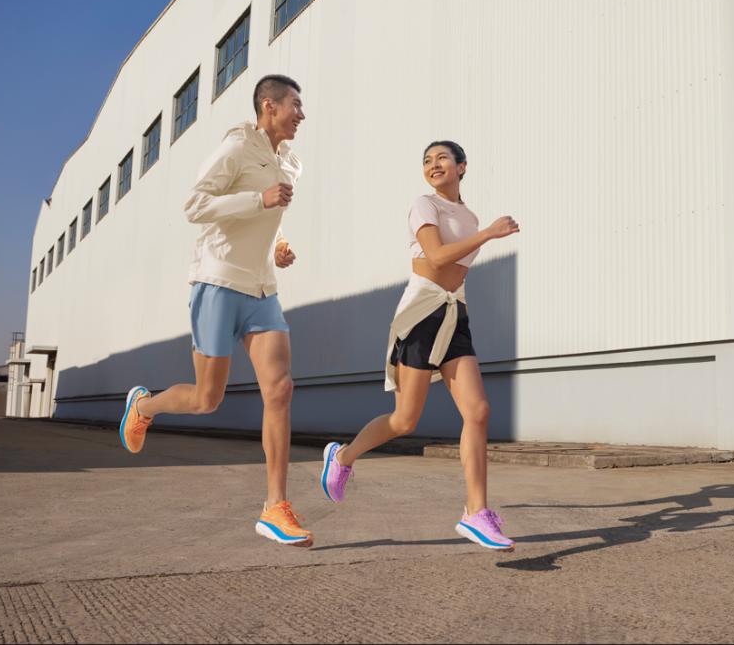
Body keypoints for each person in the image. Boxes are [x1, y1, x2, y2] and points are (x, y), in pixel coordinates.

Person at [119, 74, 313, 547]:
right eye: (295, 105)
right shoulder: (236, 147)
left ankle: (275, 507)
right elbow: (194, 205)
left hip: (262, 289)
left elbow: (266, 222)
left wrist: (281, 246)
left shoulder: (286, 161)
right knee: (208, 399)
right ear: (269, 106)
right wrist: (257, 198)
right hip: (219, 280)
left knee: (281, 390)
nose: (301, 115)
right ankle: (143, 406)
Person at [319, 140, 520, 551]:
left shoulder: (469, 215)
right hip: (422, 310)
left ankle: (476, 513)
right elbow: (436, 257)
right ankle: (341, 458)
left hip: (454, 314)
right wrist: (488, 233)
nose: (434, 164)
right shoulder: (423, 205)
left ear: (462, 166)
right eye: (427, 160)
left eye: (442, 158)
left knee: (478, 411)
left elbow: (457, 269)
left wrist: (483, 230)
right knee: (405, 420)